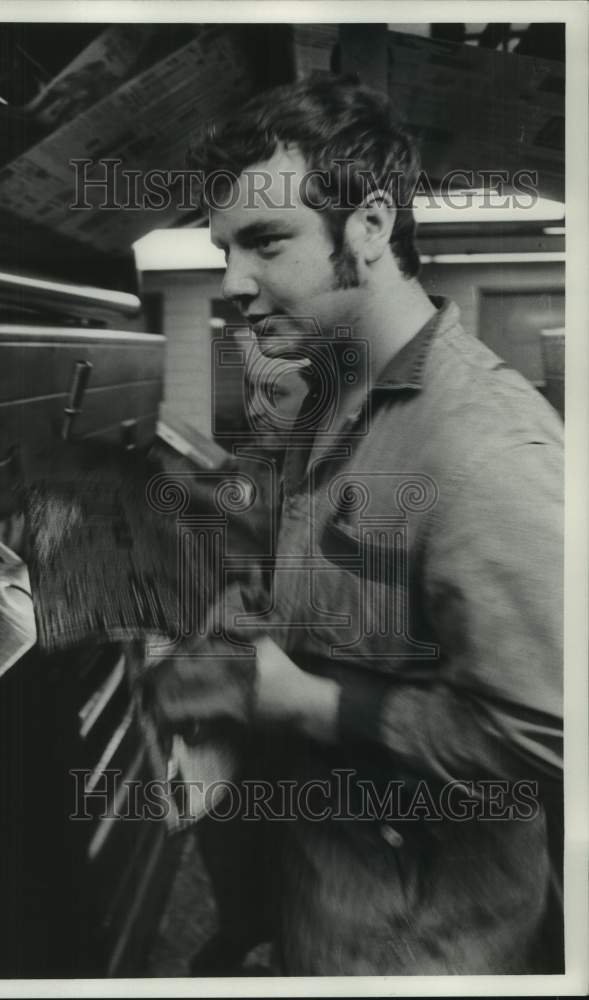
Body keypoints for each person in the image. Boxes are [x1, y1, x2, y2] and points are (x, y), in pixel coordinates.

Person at [148, 73, 564, 975]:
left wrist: (302, 701)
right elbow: (338, 589)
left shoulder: (483, 445)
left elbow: (553, 739)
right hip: (321, 901)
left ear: (369, 227)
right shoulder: (336, 397)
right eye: (225, 248)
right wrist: (237, 645)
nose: (233, 281)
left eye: (265, 241)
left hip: (419, 948)